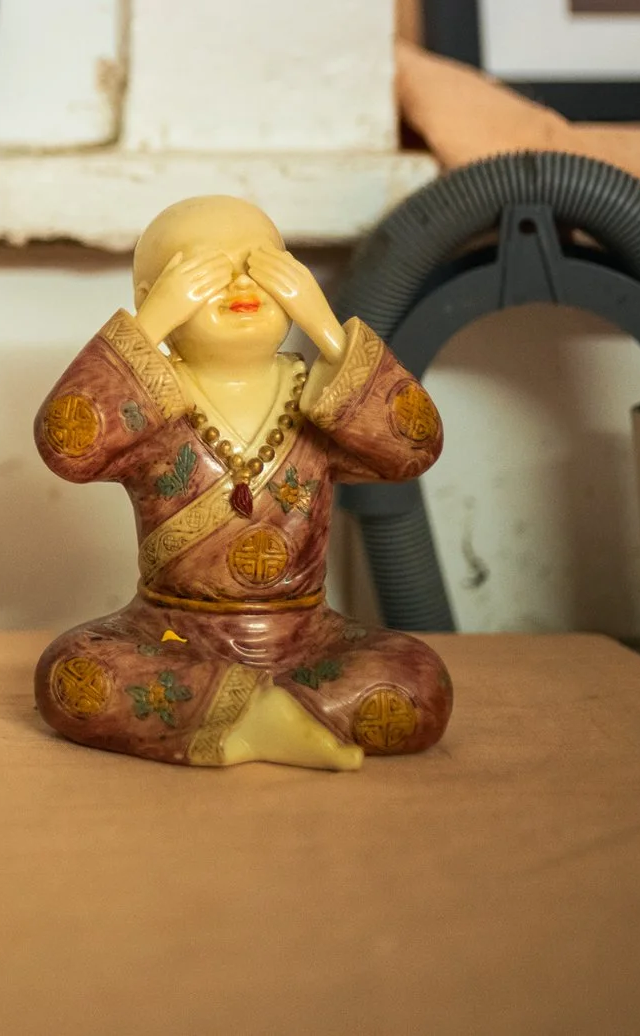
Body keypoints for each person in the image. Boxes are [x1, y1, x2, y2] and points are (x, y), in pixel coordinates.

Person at [30, 195, 451, 769]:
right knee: (72, 673)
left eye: (262, 267)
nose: (238, 286)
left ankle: (235, 715)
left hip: (307, 643)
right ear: (151, 296)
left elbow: (415, 446)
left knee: (418, 680)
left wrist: (327, 331)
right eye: (203, 272)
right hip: (169, 638)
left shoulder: (320, 398)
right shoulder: (154, 405)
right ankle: (259, 721)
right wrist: (147, 326)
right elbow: (67, 444)